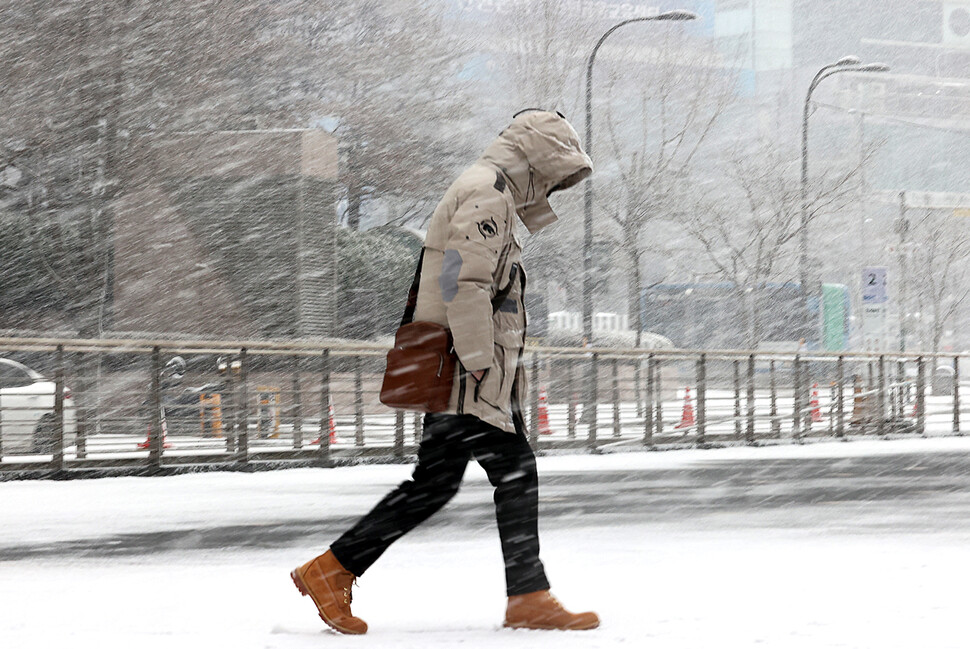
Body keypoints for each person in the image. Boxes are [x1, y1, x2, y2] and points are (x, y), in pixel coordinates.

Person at [290, 109, 597, 635]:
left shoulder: (486, 188)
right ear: (536, 160)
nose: (551, 188)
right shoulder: (489, 195)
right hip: (467, 369)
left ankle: (333, 569)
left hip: (462, 365)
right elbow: (463, 281)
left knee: (434, 483)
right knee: (515, 472)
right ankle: (528, 595)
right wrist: (479, 361)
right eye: (552, 176)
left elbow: (459, 278)